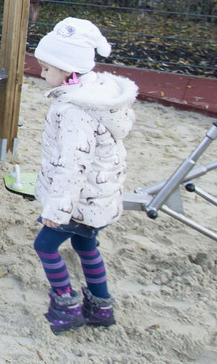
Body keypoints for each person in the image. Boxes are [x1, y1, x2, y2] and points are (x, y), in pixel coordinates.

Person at [30, 17, 137, 334]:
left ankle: (66, 303)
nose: (42, 73)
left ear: (68, 71)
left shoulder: (74, 110)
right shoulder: (97, 96)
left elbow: (72, 163)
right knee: (86, 246)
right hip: (97, 198)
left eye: (47, 68)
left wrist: (57, 209)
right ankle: (101, 306)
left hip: (78, 200)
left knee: (45, 246)